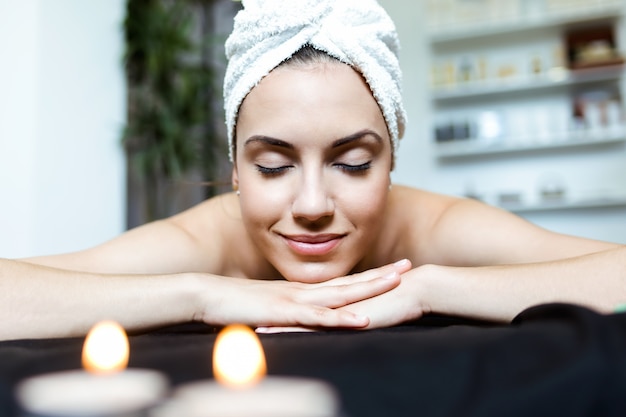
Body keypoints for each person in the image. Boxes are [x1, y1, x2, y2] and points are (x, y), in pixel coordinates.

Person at [1, 0, 625, 341]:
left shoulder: (432, 228)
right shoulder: (203, 242)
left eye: (352, 163)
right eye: (273, 165)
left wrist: (428, 288)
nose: (311, 203)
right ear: (236, 168)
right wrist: (201, 295)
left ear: (391, 161)